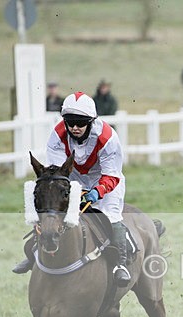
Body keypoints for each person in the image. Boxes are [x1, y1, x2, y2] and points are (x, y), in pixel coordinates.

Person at [12, 92, 131, 284]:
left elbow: (112, 175)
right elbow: (58, 174)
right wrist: (70, 194)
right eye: (70, 122)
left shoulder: (108, 138)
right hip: (71, 177)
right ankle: (34, 252)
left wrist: (97, 192)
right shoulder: (57, 136)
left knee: (111, 213)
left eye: (80, 122)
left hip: (106, 179)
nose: (74, 127)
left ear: (91, 121)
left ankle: (121, 264)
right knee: (53, 212)